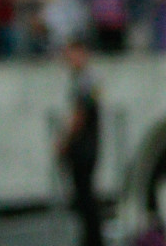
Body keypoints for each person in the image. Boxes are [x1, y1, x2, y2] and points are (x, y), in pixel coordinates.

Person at [57, 41, 104, 246]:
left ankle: (92, 240)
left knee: (84, 197)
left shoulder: (84, 80)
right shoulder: (88, 79)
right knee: (85, 195)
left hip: (83, 146)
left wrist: (64, 141)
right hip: (88, 145)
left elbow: (80, 114)